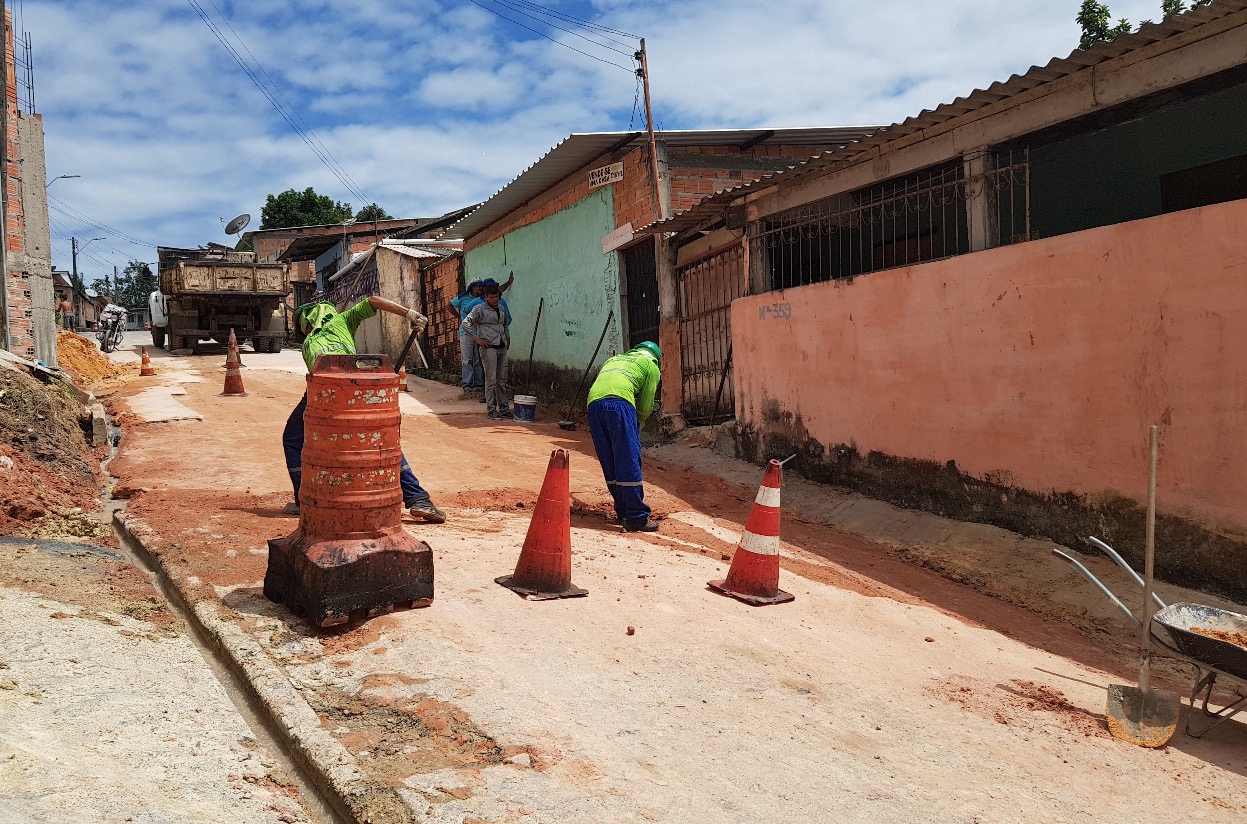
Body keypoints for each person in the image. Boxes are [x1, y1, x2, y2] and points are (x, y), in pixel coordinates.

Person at [283, 297, 447, 523]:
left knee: (293, 439)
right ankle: (419, 499)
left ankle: (304, 498)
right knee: (381, 443)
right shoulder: (343, 320)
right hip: (357, 390)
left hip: (323, 395)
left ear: (305, 324)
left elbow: (319, 375)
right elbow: (373, 301)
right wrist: (408, 313)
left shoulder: (308, 342)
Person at [586, 341, 661, 532]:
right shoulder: (650, 365)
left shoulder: (615, 358)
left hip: (594, 405)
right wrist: (638, 425)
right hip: (619, 403)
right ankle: (636, 516)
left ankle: (622, 510)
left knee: (609, 458)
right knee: (628, 459)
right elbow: (645, 405)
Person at [462, 284, 512, 419]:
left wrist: (507, 338)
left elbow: (505, 325)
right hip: (488, 348)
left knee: (502, 380)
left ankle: (504, 408)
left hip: (501, 346)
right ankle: (491, 409)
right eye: (492, 297)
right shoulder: (479, 309)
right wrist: (477, 339)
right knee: (491, 380)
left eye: (496, 296)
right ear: (486, 297)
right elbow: (465, 323)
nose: (494, 299)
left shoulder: (501, 308)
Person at [451, 280, 485, 395]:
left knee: (478, 360)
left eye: (481, 286)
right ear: (472, 287)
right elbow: (449, 305)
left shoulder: (482, 299)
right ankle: (467, 384)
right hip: (466, 333)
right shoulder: (463, 298)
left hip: (479, 333)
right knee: (467, 360)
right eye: (477, 286)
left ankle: (478, 384)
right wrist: (459, 317)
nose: (479, 288)